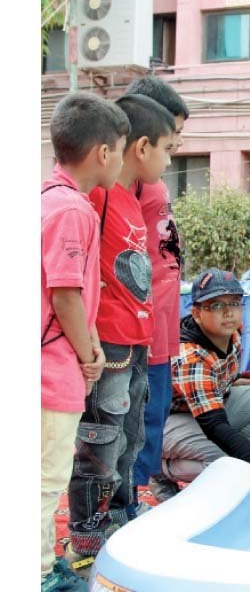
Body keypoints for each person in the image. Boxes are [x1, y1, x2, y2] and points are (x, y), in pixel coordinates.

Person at [64, 94, 175, 577]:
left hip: (135, 341)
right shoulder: (98, 196)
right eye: (169, 149)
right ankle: (86, 537)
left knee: (130, 438)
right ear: (141, 147)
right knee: (100, 440)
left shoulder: (132, 201)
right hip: (106, 340)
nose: (171, 159)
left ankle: (121, 514)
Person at [41, 92, 129, 592]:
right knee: (45, 482)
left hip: (47, 363)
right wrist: (87, 352)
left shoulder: (47, 199)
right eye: (119, 149)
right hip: (51, 370)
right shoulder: (73, 209)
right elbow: (66, 294)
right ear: (102, 153)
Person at [155, 268, 250, 490]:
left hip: (201, 411)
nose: (228, 312)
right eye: (216, 305)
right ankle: (160, 469)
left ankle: (235, 456)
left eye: (234, 303)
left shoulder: (231, 331)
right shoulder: (191, 357)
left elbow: (221, 368)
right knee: (226, 460)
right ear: (196, 313)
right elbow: (214, 425)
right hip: (166, 423)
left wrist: (231, 380)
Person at [122, 75, 190, 509]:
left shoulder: (152, 183)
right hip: (137, 327)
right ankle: (119, 504)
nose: (174, 153)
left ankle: (130, 495)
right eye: (172, 142)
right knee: (131, 419)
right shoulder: (122, 184)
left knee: (153, 413)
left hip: (162, 323)